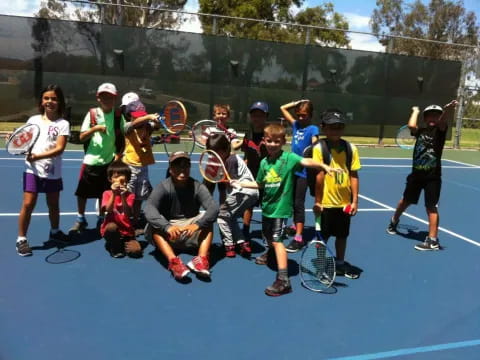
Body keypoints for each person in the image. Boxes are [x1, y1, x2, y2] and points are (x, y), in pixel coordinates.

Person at [235, 124, 336, 297]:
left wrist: (323, 166)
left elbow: (306, 161)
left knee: (277, 240)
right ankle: (271, 254)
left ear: (283, 142)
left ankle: (283, 280)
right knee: (269, 237)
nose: (272, 144)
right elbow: (260, 184)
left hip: (280, 210)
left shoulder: (289, 158)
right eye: (269, 141)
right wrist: (240, 184)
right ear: (264, 142)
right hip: (267, 208)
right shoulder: (264, 163)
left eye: (276, 141)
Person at [387, 101, 457, 250]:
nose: (433, 118)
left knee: (431, 207)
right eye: (430, 116)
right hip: (416, 176)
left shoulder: (440, 131)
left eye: (436, 116)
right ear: (425, 118)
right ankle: (394, 221)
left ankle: (432, 240)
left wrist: (448, 110)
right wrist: (416, 110)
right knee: (405, 201)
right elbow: (411, 126)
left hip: (433, 177)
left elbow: (444, 121)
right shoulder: (420, 132)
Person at [14, 85, 70, 256]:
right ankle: (21, 239)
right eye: (46, 98)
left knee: (53, 204)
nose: (50, 102)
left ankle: (55, 232)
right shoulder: (33, 120)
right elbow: (23, 141)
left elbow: (59, 148)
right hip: (32, 170)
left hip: (53, 172)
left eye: (53, 98)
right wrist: (15, 140)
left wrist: (37, 156)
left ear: (59, 102)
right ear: (41, 101)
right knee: (28, 204)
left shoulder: (63, 124)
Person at [144, 152, 219, 280]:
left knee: (208, 220)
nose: (182, 169)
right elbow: (149, 209)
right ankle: (174, 262)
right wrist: (167, 227)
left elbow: (214, 208)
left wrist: (197, 225)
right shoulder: (163, 187)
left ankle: (200, 260)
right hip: (170, 234)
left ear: (190, 168)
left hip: (191, 231)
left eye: (185, 166)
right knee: (154, 225)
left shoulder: (197, 187)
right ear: (171, 169)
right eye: (177, 166)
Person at [70, 83, 126, 233]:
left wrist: (118, 155)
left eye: (110, 97)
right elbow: (81, 137)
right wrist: (95, 128)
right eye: (103, 96)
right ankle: (80, 218)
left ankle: (102, 218)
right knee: (82, 193)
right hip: (91, 160)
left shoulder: (118, 115)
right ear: (98, 98)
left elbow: (124, 135)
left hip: (109, 162)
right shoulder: (92, 114)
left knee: (104, 193)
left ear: (115, 99)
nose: (106, 99)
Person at [312, 110, 361, 279]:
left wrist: (355, 201)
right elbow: (319, 176)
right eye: (332, 127)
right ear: (324, 128)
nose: (336, 130)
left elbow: (353, 175)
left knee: (342, 235)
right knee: (322, 238)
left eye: (339, 127)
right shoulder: (319, 148)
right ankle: (320, 266)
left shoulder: (350, 148)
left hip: (344, 204)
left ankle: (340, 262)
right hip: (326, 203)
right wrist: (318, 202)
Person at [206, 133, 259, 257]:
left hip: (244, 191)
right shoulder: (224, 162)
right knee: (231, 217)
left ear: (225, 150)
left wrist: (224, 180)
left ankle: (229, 245)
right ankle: (242, 243)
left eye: (216, 153)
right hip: (249, 193)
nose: (213, 156)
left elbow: (232, 182)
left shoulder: (231, 160)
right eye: (211, 153)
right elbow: (224, 189)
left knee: (221, 217)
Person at [280, 99, 319, 253]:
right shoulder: (295, 125)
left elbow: (316, 144)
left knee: (298, 203)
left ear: (310, 115)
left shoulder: (313, 129)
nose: (301, 118)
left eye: (304, 115)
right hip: (292, 170)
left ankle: (298, 237)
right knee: (289, 200)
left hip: (304, 172)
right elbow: (283, 107)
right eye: (299, 115)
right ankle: (295, 225)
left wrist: (315, 148)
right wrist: (298, 102)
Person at [121, 96, 159, 233]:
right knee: (128, 197)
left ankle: (135, 222)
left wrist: (157, 120)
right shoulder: (127, 127)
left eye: (142, 115)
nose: (140, 119)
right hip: (130, 166)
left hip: (143, 167)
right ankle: (126, 222)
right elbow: (135, 123)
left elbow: (157, 126)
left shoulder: (147, 127)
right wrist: (148, 116)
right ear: (130, 115)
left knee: (139, 198)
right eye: (137, 116)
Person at [100, 160, 142, 258]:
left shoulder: (130, 195)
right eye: (116, 177)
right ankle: (115, 246)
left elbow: (128, 214)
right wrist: (114, 194)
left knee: (136, 251)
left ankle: (124, 241)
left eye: (122, 176)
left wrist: (123, 196)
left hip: (126, 230)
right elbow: (108, 210)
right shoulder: (107, 193)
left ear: (127, 179)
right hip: (112, 230)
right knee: (111, 227)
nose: (119, 179)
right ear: (110, 179)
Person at [241, 101, 269, 241]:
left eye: (260, 115)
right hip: (251, 176)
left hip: (267, 177)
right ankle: (245, 230)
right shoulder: (248, 135)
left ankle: (267, 231)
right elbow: (245, 155)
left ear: (266, 117)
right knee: (248, 205)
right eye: (254, 115)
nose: (257, 118)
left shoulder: (269, 134)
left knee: (267, 206)